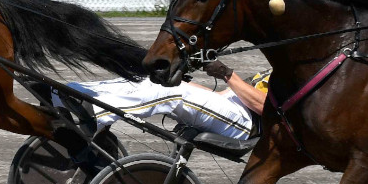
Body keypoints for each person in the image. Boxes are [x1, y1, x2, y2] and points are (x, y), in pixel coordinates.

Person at [55, 60, 266, 141]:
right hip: (229, 108)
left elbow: (267, 107)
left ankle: (97, 115)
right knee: (161, 85)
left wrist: (228, 74)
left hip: (246, 125)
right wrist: (178, 81)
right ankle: (70, 92)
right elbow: (223, 95)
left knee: (173, 95)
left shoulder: (295, 78)